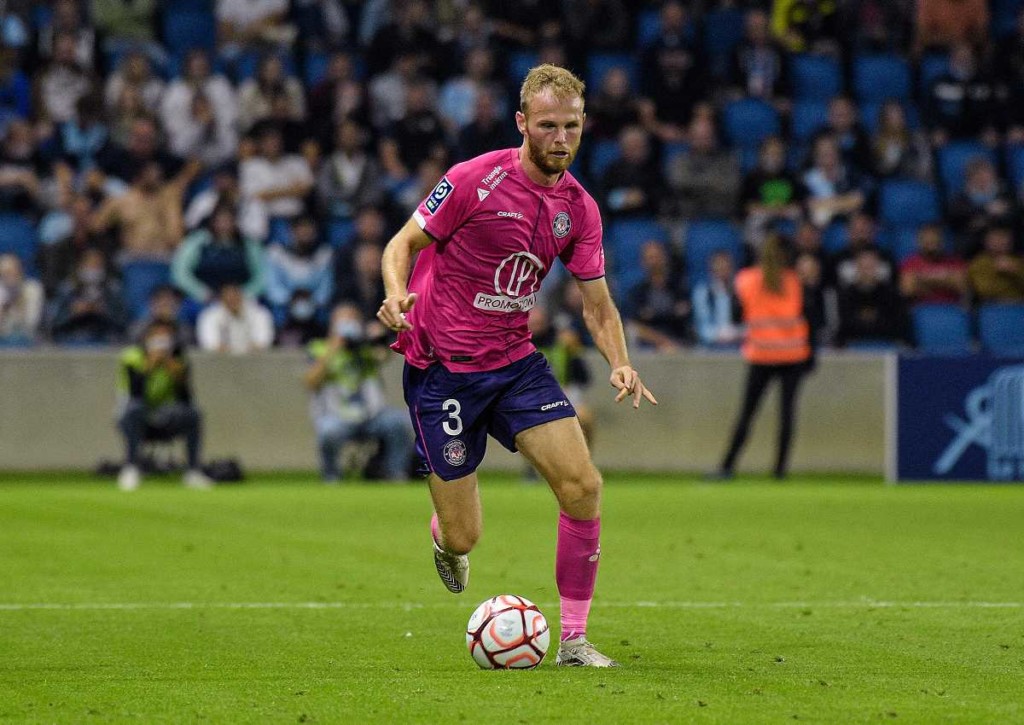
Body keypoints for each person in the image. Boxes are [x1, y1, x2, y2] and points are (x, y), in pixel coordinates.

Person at [377, 64, 656, 668]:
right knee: (464, 535)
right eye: (549, 125)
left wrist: (621, 362)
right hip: (443, 370)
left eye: (573, 126)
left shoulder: (579, 210)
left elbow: (597, 303)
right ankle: (444, 538)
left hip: (515, 363)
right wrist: (397, 293)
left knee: (583, 486)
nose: (561, 138)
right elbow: (401, 243)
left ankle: (575, 641)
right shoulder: (473, 180)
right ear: (522, 123)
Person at [712, 234, 812, 480]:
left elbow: (736, 316)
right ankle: (780, 471)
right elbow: (809, 318)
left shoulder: (746, 279)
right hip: (793, 356)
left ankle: (727, 467)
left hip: (761, 355)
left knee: (747, 414)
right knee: (787, 415)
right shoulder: (795, 281)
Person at [304, 304, 413, 482]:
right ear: (332, 324)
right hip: (338, 416)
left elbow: (385, 356)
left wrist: (377, 337)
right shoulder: (319, 348)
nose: (348, 324)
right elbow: (310, 381)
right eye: (343, 320)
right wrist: (334, 348)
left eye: (352, 320)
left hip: (373, 415)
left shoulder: (366, 348)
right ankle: (331, 477)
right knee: (327, 431)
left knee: (398, 423)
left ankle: (396, 474)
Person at [116, 320, 212, 491]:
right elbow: (135, 393)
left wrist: (174, 371)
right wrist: (150, 366)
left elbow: (186, 399)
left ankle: (193, 471)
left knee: (193, 414)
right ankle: (130, 468)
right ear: (147, 338)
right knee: (134, 410)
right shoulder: (132, 356)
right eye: (157, 336)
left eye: (166, 336)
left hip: (167, 415)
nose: (161, 341)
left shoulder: (179, 359)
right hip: (137, 416)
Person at [899, 224, 968, 306]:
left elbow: (962, 287)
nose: (931, 241)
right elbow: (907, 290)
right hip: (921, 309)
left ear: (941, 241)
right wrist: (947, 280)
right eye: (927, 239)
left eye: (934, 238)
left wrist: (922, 281)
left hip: (950, 307)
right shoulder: (909, 263)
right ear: (920, 241)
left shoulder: (955, 262)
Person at [196, 283, 274, 354]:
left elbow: (263, 341)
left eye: (235, 296)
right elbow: (210, 344)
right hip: (221, 362)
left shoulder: (259, 313)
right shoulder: (209, 316)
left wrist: (248, 351)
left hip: (253, 361)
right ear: (221, 298)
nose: (232, 300)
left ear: (241, 296)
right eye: (228, 297)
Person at [692, 250, 742, 348]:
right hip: (711, 344)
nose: (722, 268)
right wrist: (720, 334)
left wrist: (736, 333)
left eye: (726, 266)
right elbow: (702, 326)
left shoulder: (741, 290)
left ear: (732, 268)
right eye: (718, 265)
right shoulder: (702, 292)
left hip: (738, 341)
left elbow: (749, 321)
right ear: (711, 269)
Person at [968, 225, 1024, 303]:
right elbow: (984, 292)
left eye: (1003, 237)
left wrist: (1015, 271)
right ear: (986, 241)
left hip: (1019, 307)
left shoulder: (1019, 261)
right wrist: (1000, 273)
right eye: (995, 237)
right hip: (991, 308)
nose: (999, 241)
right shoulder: (979, 263)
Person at [0, 254, 43, 346]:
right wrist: (4, 306)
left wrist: (19, 299)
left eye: (13, 271)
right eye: (5, 273)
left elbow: (32, 323)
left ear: (20, 271)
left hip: (28, 341)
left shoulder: (32, 289)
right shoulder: (1, 292)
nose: (10, 277)